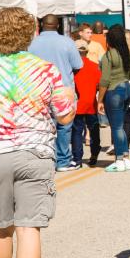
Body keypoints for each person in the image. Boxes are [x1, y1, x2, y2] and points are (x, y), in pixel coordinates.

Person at [0, 7, 76, 258]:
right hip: (35, 154)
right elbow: (64, 115)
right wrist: (71, 102)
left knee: (0, 226)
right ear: (29, 35)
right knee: (28, 227)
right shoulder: (45, 69)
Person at [29, 14, 83, 172]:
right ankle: (62, 161)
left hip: (38, 90)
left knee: (43, 126)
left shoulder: (31, 43)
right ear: (58, 25)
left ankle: (45, 160)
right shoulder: (67, 42)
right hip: (63, 89)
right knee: (64, 126)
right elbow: (78, 65)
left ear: (41, 25)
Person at [97, 25, 130, 173]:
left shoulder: (108, 55)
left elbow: (104, 80)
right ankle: (125, 158)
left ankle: (119, 159)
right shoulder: (127, 54)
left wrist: (100, 100)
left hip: (114, 91)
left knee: (116, 126)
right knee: (122, 124)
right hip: (128, 88)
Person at [72, 39, 102, 167]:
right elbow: (99, 85)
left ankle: (77, 159)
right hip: (91, 104)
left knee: (77, 131)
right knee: (94, 130)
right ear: (87, 52)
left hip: (77, 105)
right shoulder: (95, 66)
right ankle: (94, 155)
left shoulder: (72, 69)